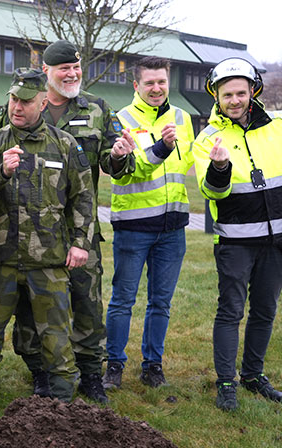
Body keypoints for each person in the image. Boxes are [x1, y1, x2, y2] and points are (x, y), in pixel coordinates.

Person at [0, 68, 94, 408]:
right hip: (0, 257)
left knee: (55, 334)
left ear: (42, 103)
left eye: (25, 102)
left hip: (48, 260)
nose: (16, 107)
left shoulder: (64, 145)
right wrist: (2, 171)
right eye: (12, 100)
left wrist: (80, 243)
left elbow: (83, 197)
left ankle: (62, 395)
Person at [4, 40, 125, 404]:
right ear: (47, 72)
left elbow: (114, 164)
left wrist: (118, 155)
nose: (72, 74)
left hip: (80, 229)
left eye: (76, 69)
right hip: (31, 233)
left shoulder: (98, 109)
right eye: (63, 69)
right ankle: (40, 371)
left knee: (87, 303)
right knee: (31, 307)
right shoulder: (24, 104)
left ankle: (90, 374)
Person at [192, 57, 282, 411]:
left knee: (265, 310)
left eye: (240, 93)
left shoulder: (276, 129)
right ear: (216, 96)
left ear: (253, 91)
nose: (234, 100)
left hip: (276, 242)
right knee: (230, 311)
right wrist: (220, 167)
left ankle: (253, 375)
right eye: (227, 94)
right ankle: (226, 382)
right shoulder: (208, 139)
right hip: (235, 243)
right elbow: (212, 193)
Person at [102, 56, 195, 391]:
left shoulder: (183, 118)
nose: (156, 89)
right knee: (123, 299)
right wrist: (161, 148)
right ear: (136, 85)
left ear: (168, 83)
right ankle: (114, 366)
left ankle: (152, 366)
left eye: (162, 82)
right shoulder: (119, 119)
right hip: (133, 227)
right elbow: (129, 170)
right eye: (149, 83)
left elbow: (186, 165)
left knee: (161, 302)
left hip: (173, 227)